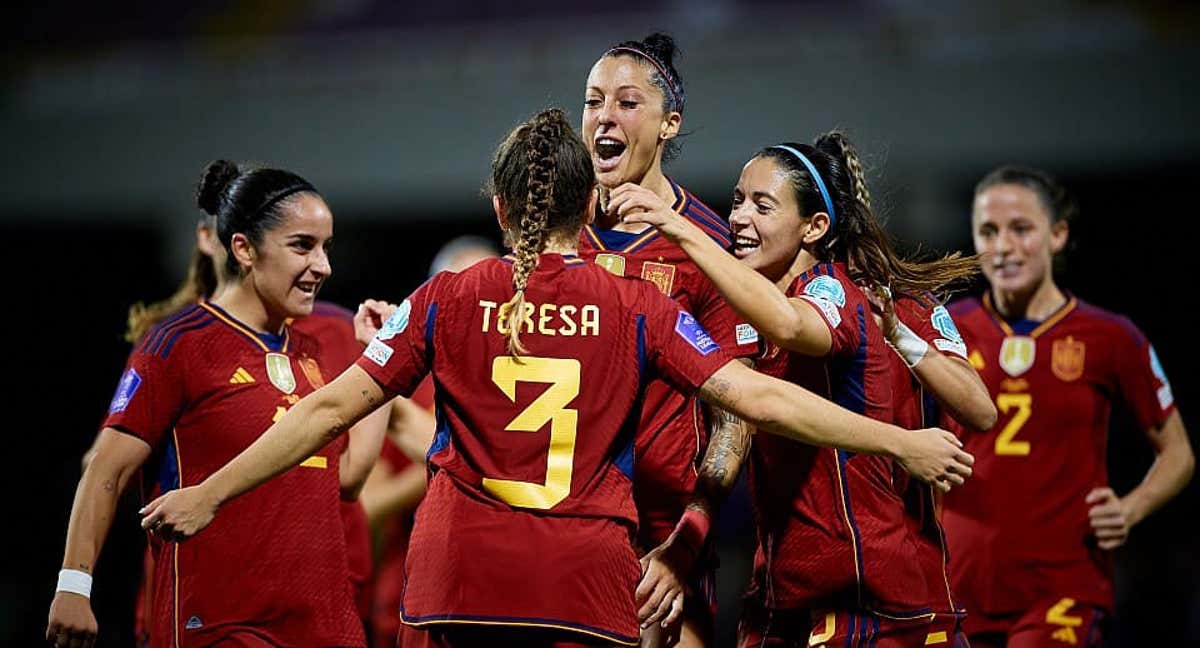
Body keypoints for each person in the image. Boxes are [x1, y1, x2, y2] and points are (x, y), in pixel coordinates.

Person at [137, 109, 972, 648]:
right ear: (590, 206)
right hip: (580, 589)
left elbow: (326, 411)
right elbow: (756, 398)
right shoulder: (635, 306)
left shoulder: (444, 297)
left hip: (457, 587)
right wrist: (899, 436)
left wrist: (212, 492)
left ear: (499, 209)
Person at [618, 132, 984, 646]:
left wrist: (678, 228)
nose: (739, 217)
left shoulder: (834, 292)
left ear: (815, 227)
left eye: (761, 205)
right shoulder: (750, 314)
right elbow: (741, 416)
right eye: (738, 200)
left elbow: (980, 411)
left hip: (870, 601)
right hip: (782, 599)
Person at [47, 160, 371, 648]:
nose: (323, 265)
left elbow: (344, 477)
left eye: (326, 247)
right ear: (242, 248)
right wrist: (74, 585)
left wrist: (379, 361)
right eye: (302, 245)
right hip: (222, 624)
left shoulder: (313, 351)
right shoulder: (178, 343)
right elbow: (105, 469)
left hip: (323, 623)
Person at [941, 166, 1194, 647]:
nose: (1003, 247)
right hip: (960, 584)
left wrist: (1131, 508)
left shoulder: (1111, 337)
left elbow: (1178, 453)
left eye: (1021, 229)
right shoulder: (947, 327)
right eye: (988, 232)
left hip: (1062, 587)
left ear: (1057, 234)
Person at [580, 33, 760, 647]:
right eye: (593, 100)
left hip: (660, 536)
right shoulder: (556, 232)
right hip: (563, 523)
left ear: (668, 124)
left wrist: (691, 535)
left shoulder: (707, 245)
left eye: (627, 103)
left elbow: (736, 413)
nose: (605, 116)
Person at [358, 235, 498, 647]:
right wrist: (456, 466)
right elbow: (365, 505)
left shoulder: (529, 379)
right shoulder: (410, 387)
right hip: (413, 609)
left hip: (502, 604)